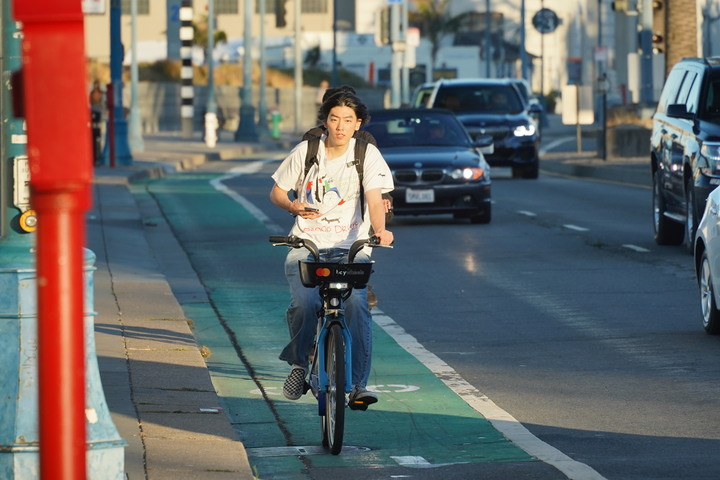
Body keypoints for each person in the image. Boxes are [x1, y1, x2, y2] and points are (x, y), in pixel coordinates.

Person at [270, 90, 394, 409]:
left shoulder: (366, 154)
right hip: (306, 244)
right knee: (305, 301)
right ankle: (300, 365)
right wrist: (293, 206)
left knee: (356, 304)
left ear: (358, 124)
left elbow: (375, 198)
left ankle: (356, 385)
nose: (340, 126)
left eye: (347, 121)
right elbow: (277, 192)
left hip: (351, 248)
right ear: (325, 122)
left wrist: (379, 231)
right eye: (334, 119)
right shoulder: (307, 150)